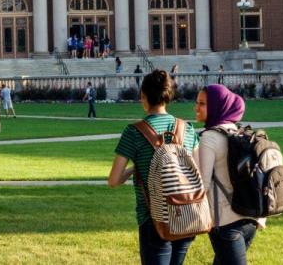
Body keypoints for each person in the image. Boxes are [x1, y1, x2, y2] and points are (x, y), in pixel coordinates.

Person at [108, 70, 199, 265]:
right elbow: (198, 172)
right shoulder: (188, 129)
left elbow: (114, 180)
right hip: (186, 213)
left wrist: (135, 168)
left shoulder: (134, 132)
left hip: (153, 218)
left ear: (143, 96)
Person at [195, 84, 266, 265]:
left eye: (202, 103)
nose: (196, 108)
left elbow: (203, 183)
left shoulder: (209, 137)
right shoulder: (239, 132)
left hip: (226, 223)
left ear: (218, 106)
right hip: (250, 219)